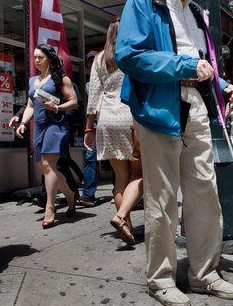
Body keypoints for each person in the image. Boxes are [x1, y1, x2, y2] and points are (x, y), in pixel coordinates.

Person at [116, 0, 233, 306]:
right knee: (162, 197)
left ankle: (204, 274)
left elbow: (200, 62)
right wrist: (184, 68)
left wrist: (222, 85)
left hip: (195, 105)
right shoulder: (143, 1)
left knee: (204, 190)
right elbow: (130, 55)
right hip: (159, 108)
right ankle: (161, 279)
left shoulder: (197, 13)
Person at [84, 19, 142, 244]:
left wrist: (89, 127)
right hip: (130, 118)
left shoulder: (98, 59)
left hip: (107, 120)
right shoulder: (130, 54)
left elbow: (94, 96)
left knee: (120, 177)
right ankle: (121, 217)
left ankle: (127, 225)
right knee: (139, 175)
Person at [16, 45, 78, 229]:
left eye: (40, 57)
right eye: (35, 57)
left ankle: (50, 208)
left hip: (56, 125)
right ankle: (70, 194)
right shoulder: (32, 81)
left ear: (49, 59)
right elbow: (30, 106)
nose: (36, 61)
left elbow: (74, 102)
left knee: (47, 164)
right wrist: (23, 123)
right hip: (39, 127)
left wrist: (57, 107)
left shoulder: (60, 78)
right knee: (47, 169)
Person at [79, 50, 99, 207]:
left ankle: (118, 192)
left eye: (94, 61)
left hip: (110, 123)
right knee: (90, 158)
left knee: (116, 160)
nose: (92, 64)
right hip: (95, 126)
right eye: (89, 62)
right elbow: (92, 107)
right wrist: (88, 129)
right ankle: (88, 194)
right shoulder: (88, 85)